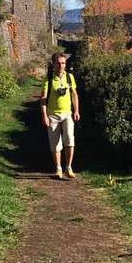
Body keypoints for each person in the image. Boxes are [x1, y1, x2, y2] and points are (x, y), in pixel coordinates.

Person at [41, 52, 81, 180]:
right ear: (53, 64)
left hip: (67, 114)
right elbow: (43, 99)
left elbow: (74, 94)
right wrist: (45, 116)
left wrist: (76, 111)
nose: (61, 66)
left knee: (70, 139)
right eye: (58, 63)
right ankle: (58, 168)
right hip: (53, 115)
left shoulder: (69, 77)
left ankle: (69, 167)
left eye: (63, 63)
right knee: (55, 144)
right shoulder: (48, 79)